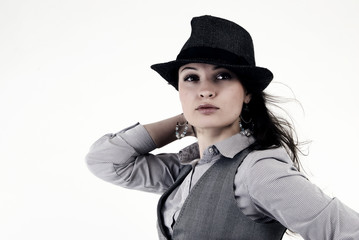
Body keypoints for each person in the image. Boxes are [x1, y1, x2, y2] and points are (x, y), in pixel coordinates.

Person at [86, 15, 359, 239]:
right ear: (179, 91)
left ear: (247, 93)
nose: (205, 90)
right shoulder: (189, 168)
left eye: (222, 76)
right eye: (191, 78)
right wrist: (184, 123)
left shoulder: (258, 170)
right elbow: (106, 161)